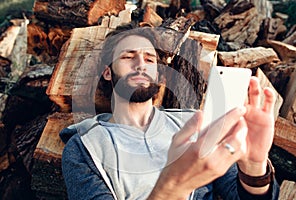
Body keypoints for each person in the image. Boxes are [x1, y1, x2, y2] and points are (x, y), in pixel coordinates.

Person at [60, 24, 280, 200]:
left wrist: (253, 165)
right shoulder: (84, 147)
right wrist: (172, 189)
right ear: (107, 73)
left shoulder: (194, 123)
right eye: (128, 56)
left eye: (149, 59)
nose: (140, 65)